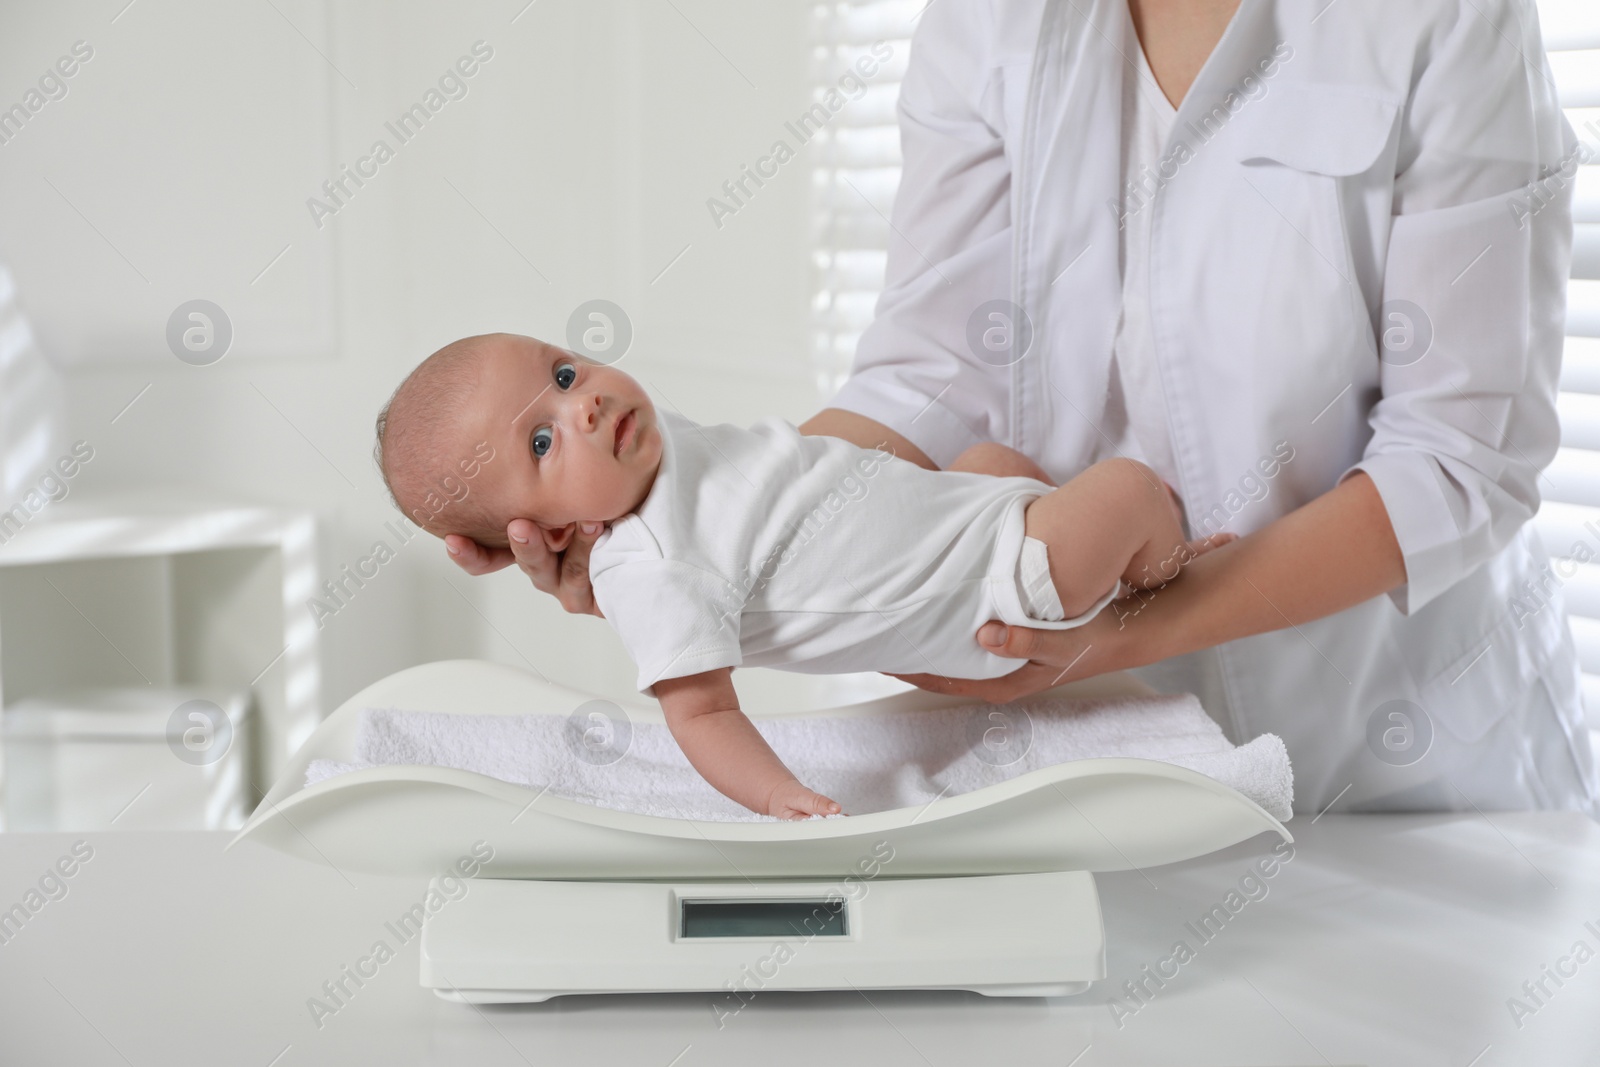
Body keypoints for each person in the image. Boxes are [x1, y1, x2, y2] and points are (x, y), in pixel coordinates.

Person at [448, 0, 1600, 818]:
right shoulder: (989, 20)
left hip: (1410, 775)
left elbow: (1455, 466)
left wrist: (1122, 626)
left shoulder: (1440, 17)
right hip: (1107, 773)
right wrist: (682, 542)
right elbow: (927, 376)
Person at [375, 333, 1230, 817]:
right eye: (542, 440)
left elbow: (796, 481)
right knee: (1126, 489)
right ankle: (1167, 566)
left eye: (563, 375)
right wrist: (781, 794)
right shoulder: (650, 567)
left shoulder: (655, 452)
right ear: (554, 530)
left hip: (966, 515)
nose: (584, 402)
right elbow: (699, 709)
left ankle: (1110, 559)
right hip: (991, 592)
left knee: (990, 457)